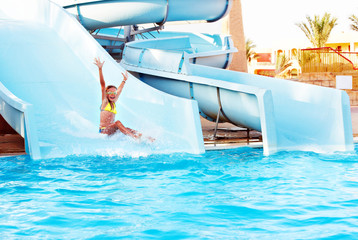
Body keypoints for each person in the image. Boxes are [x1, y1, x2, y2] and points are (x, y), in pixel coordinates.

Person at [94, 57, 142, 139]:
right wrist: (100, 69)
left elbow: (119, 90)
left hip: (111, 129)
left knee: (127, 128)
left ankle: (144, 136)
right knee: (118, 123)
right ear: (106, 94)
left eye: (114, 93)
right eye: (110, 92)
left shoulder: (113, 102)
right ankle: (134, 137)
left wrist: (124, 80)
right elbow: (102, 85)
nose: (113, 94)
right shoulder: (105, 102)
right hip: (103, 131)